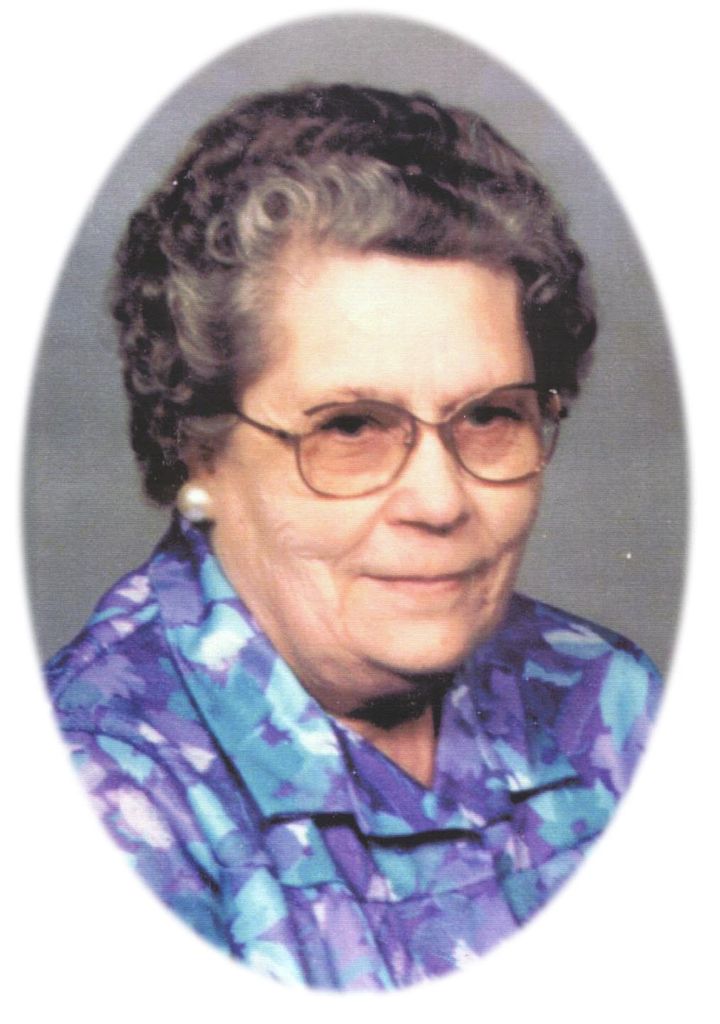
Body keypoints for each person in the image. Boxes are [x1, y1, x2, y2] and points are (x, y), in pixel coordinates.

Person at [45, 83, 661, 990]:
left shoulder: (610, 700)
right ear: (198, 450)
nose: (439, 500)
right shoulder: (92, 794)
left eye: (491, 415)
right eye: (350, 427)